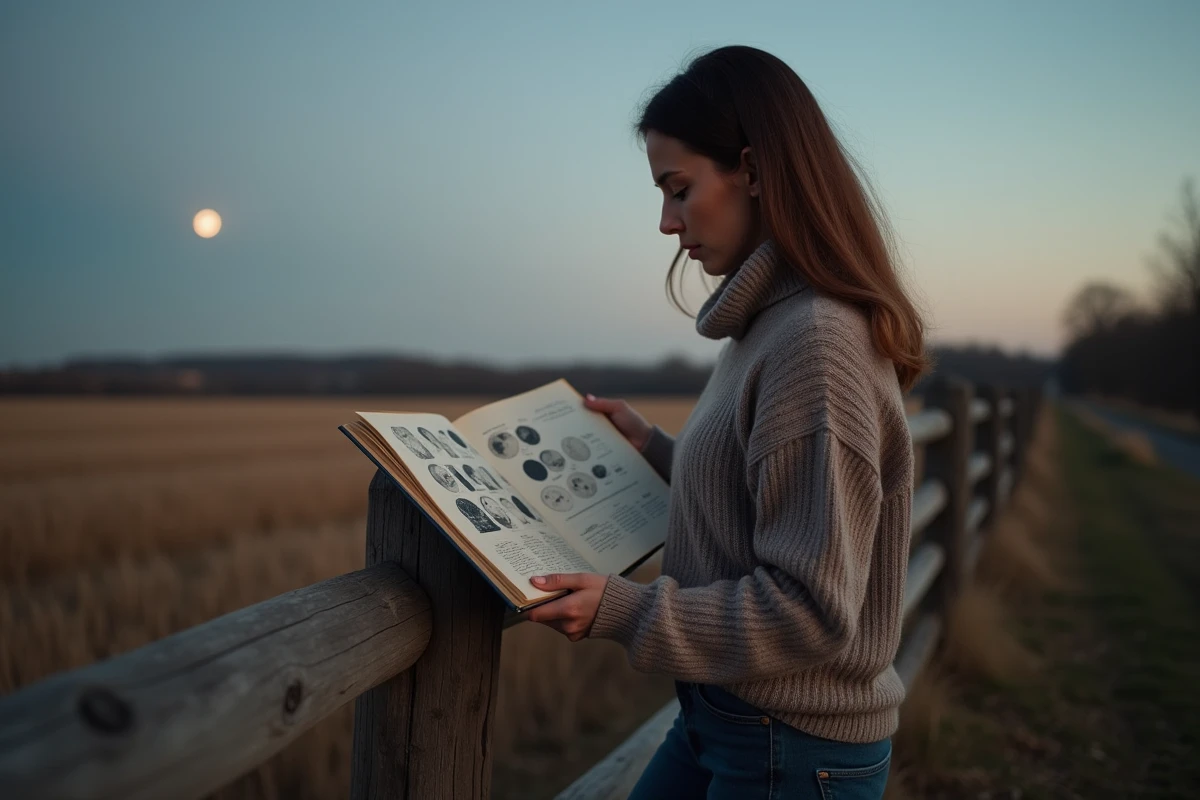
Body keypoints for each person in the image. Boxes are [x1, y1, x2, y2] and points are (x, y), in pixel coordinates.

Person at [525, 45, 927, 799]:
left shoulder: (814, 341)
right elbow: (770, 494)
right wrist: (653, 449)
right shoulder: (773, 324)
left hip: (792, 747)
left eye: (678, 189)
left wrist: (624, 610)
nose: (666, 222)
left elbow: (811, 610)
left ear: (751, 169)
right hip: (730, 715)